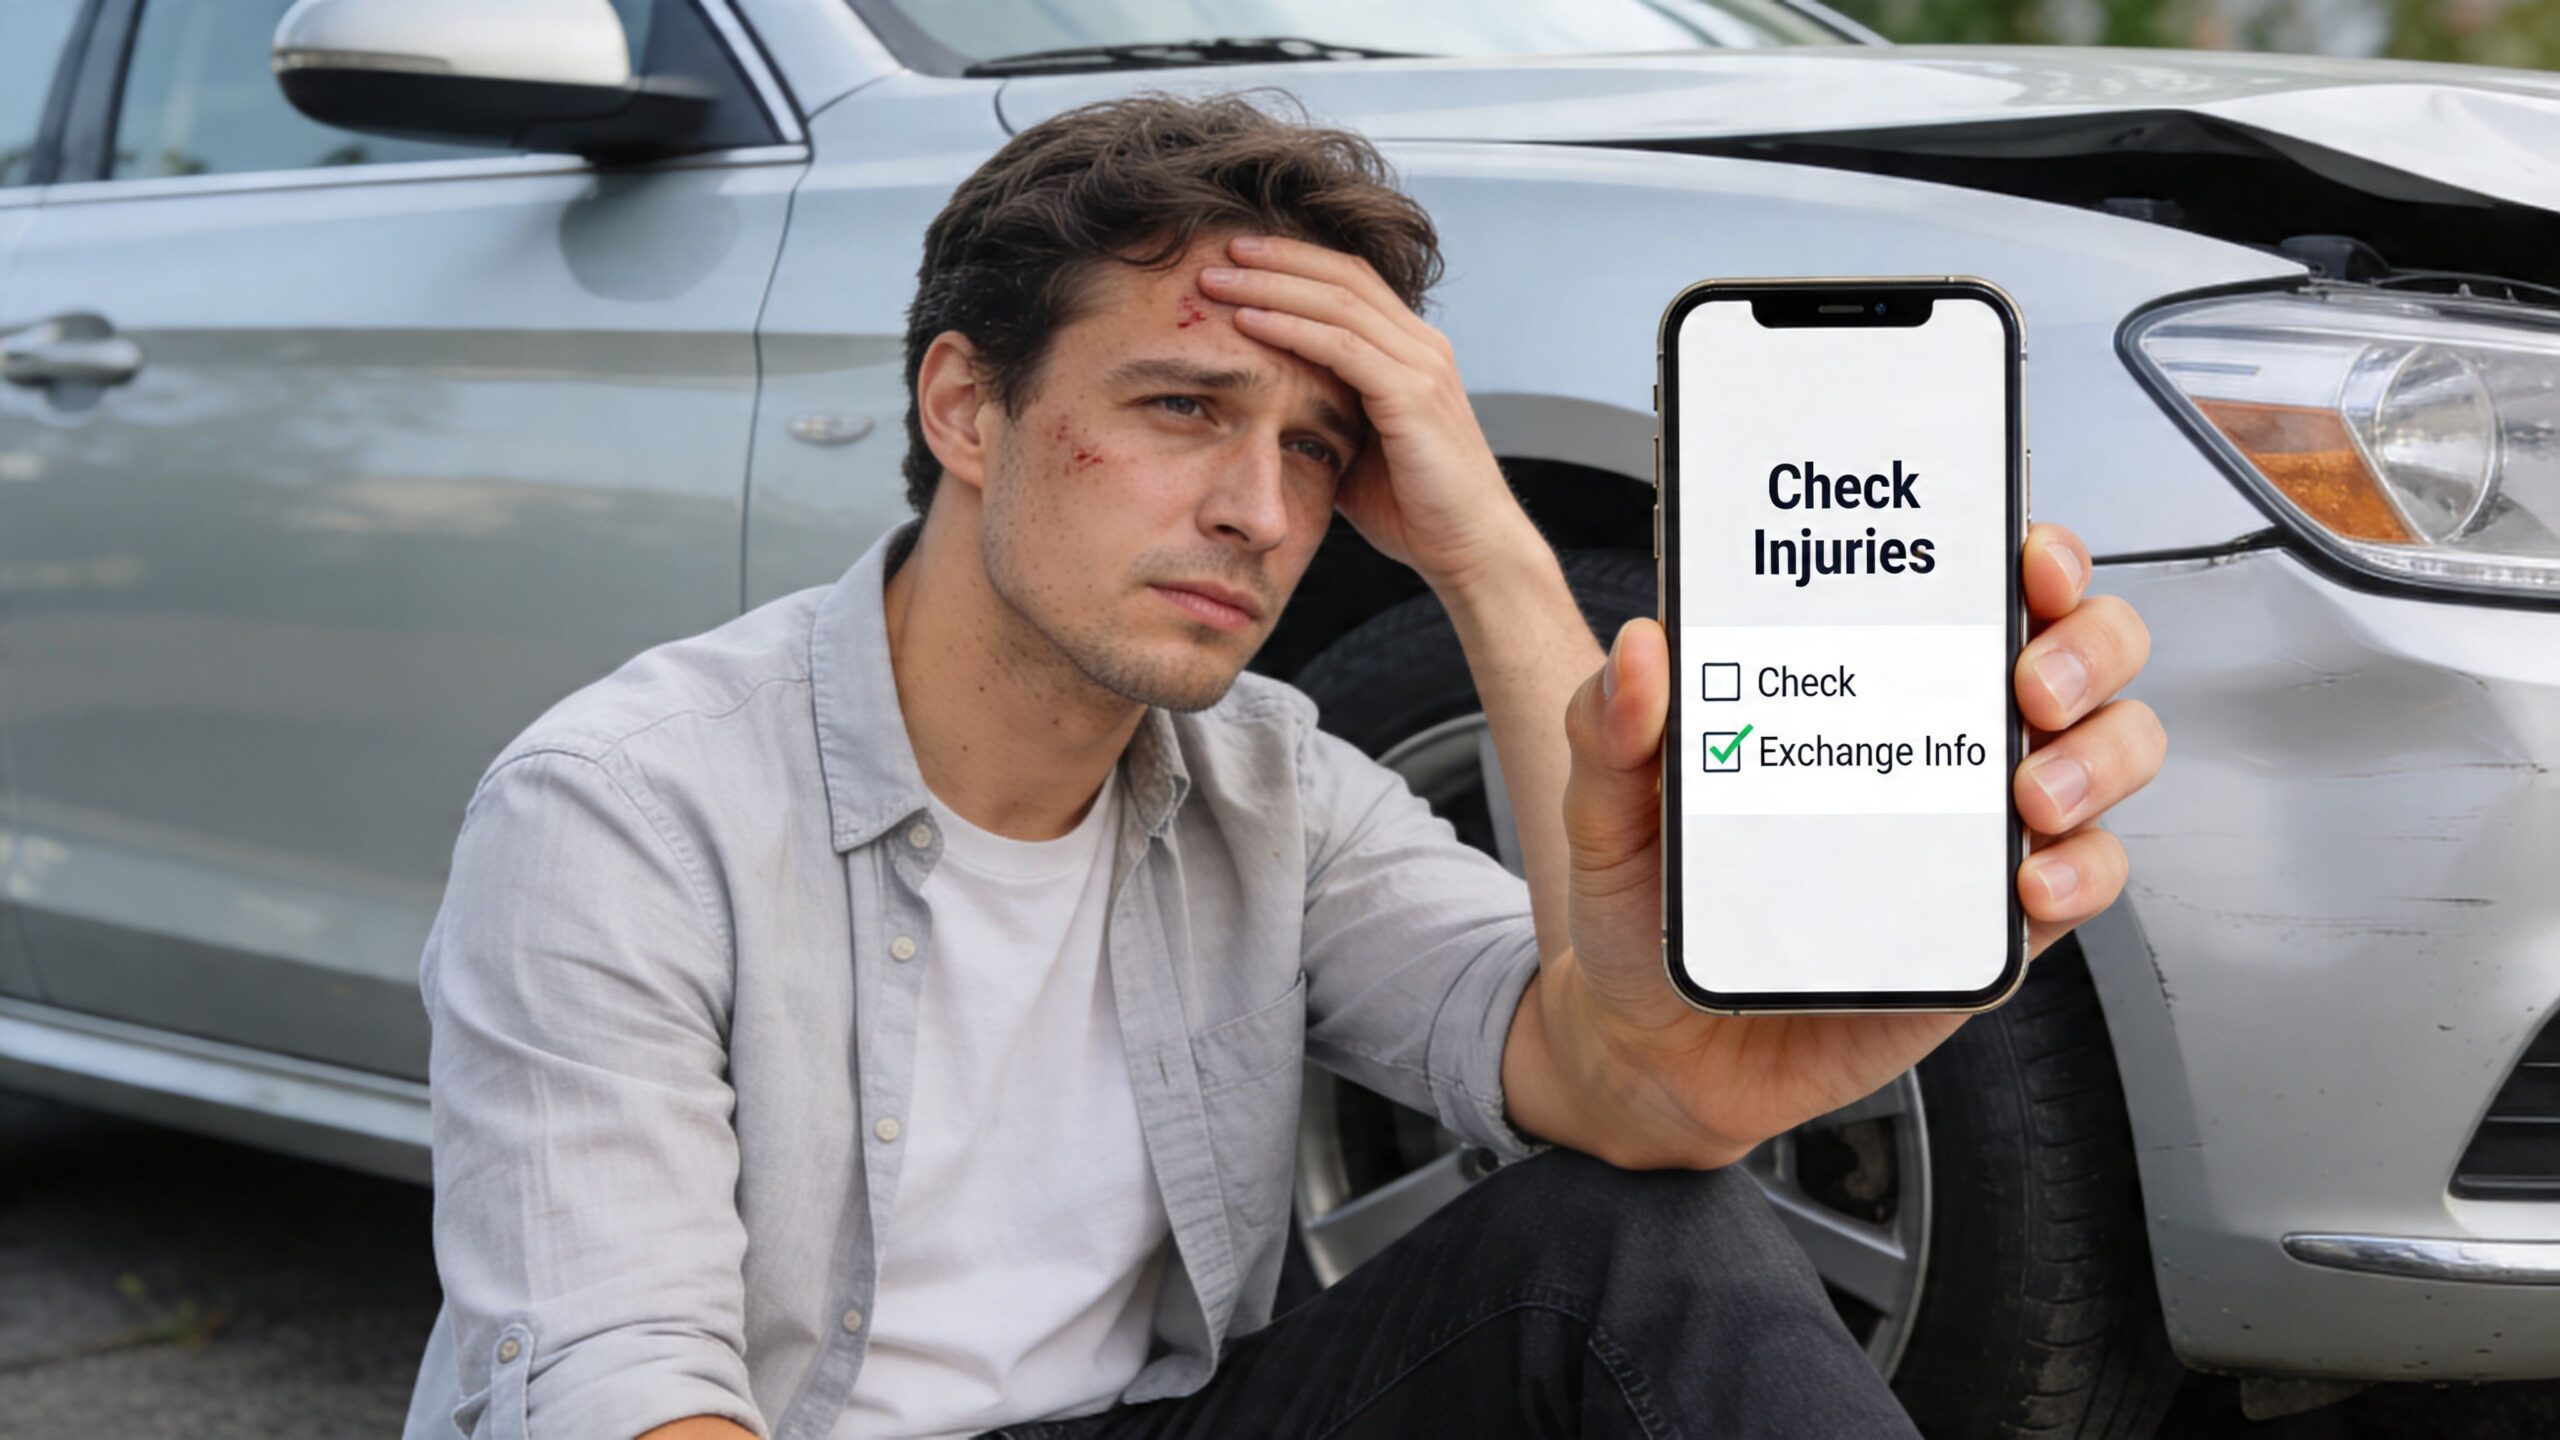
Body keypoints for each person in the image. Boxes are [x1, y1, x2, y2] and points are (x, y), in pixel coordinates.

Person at [400, 88, 2163, 1440]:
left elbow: (1634, 1090)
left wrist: (1481, 542)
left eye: (1317, 448)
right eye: (1183, 408)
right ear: (965, 406)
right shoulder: (625, 808)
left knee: (1646, 1244)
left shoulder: (1270, 786)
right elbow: (621, 1389)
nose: (1259, 510)